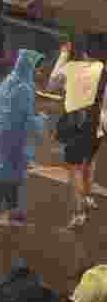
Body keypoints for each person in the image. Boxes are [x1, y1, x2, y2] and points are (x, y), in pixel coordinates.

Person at [47, 35, 107, 230]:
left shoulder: (70, 69)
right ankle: (88, 197)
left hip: (76, 127)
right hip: (97, 125)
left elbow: (51, 85)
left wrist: (63, 55)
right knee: (90, 162)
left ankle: (79, 212)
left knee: (74, 171)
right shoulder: (102, 68)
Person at [0, 50, 46, 221]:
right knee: (7, 171)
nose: (39, 72)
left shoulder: (9, 81)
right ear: (28, 67)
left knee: (10, 170)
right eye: (37, 68)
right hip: (14, 135)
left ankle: (10, 208)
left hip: (2, 131)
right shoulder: (24, 88)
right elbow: (26, 119)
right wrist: (40, 120)